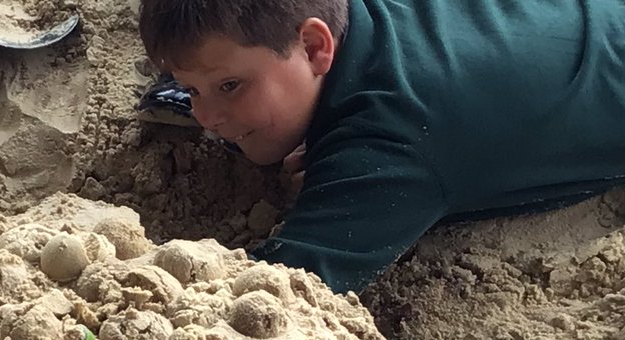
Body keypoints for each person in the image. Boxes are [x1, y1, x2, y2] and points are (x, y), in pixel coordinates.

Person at [138, 0, 625, 295]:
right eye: (191, 88)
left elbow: (277, 295)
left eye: (229, 87)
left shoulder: (391, 143)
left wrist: (340, 164)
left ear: (313, 47)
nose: (204, 117)